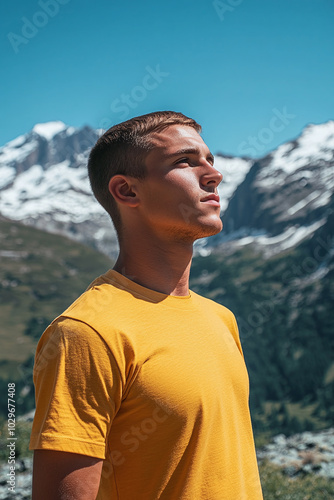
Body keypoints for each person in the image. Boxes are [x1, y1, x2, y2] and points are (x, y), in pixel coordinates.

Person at [30, 111, 263, 499]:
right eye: (185, 161)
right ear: (127, 191)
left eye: (210, 160)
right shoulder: (86, 334)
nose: (214, 174)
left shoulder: (221, 319)